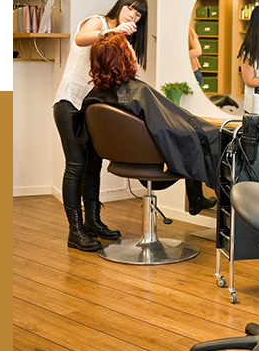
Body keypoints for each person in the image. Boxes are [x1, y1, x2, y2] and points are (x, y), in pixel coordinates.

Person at [76, 33, 219, 215]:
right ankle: (229, 217)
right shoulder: (137, 91)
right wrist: (204, 131)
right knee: (214, 138)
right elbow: (166, 128)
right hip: (151, 160)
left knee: (199, 136)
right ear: (125, 57)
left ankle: (196, 198)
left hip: (124, 158)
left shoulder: (94, 98)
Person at [53, 0, 149, 252]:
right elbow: (80, 38)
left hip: (94, 109)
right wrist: (114, 31)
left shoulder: (122, 38)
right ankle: (75, 231)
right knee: (76, 166)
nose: (133, 15)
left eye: (139, 14)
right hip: (70, 104)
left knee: (93, 166)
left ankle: (92, 222)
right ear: (121, 5)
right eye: (131, 8)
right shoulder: (99, 23)